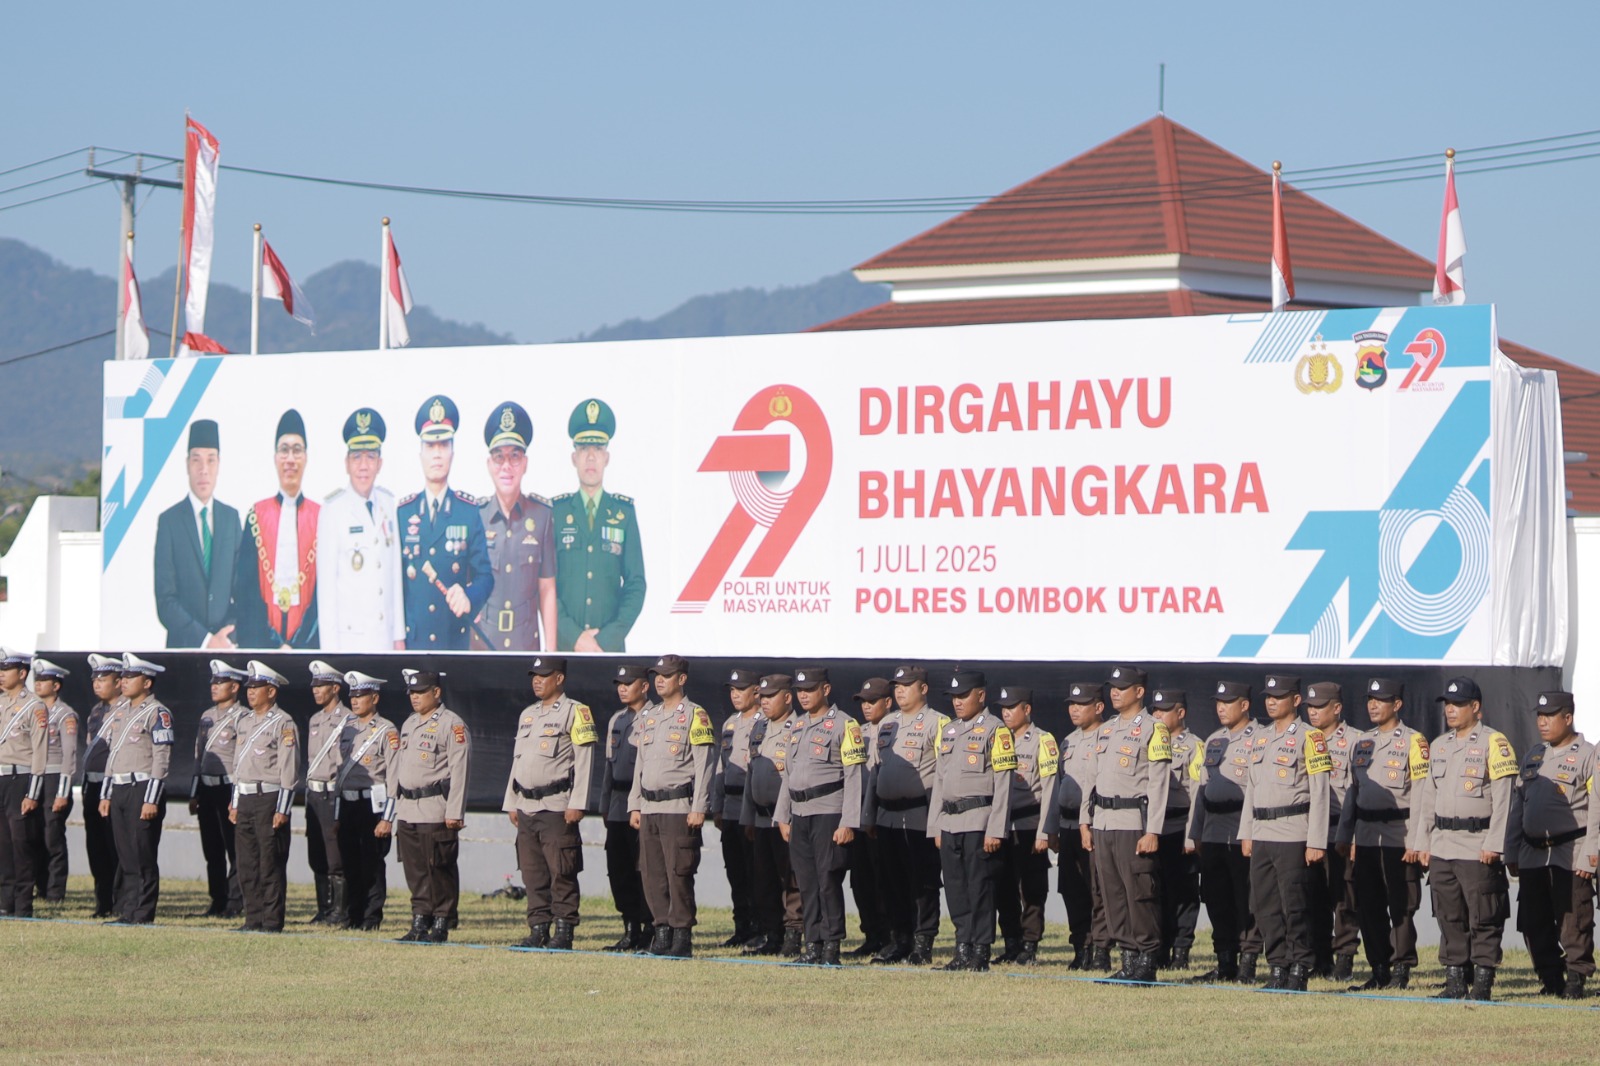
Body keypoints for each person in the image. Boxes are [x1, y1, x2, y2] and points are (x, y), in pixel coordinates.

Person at [1414, 676, 1517, 1001]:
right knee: (1449, 915)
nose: (1450, 710)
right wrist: (1423, 842)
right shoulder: (1439, 745)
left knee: (1484, 916)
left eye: (1458, 704)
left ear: (1475, 707)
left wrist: (1495, 843)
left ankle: (1482, 984)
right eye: (1447, 704)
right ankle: (1455, 980)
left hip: (1477, 844)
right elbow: (1428, 798)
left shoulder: (1494, 742)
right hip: (1443, 843)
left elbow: (1505, 800)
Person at [1238, 676, 1332, 992]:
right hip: (1262, 831)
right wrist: (1246, 832)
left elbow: (1320, 793)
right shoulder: (1260, 738)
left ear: (1296, 700)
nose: (1271, 701)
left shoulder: (1311, 737)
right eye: (1268, 696)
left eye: (1278, 696)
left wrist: (1316, 841)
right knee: (1265, 905)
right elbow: (1251, 788)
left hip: (1293, 832)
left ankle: (1300, 968)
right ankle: (1277, 967)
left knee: (1296, 905)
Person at [1334, 678, 1429, 991]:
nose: (1373, 705)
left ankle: (1401, 969)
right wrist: (1345, 835)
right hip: (1365, 837)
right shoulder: (1363, 742)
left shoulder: (1414, 742)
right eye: (1370, 699)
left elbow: (1422, 794)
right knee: (1368, 905)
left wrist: (1417, 841)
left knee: (1401, 906)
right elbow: (1353, 792)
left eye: (1381, 700)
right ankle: (1379, 969)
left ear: (1397, 704)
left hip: (1398, 837)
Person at [1081, 665, 1170, 984]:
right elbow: (1090, 779)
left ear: (1139, 692)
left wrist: (1153, 830)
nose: (1115, 692)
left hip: (1133, 823)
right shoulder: (1105, 730)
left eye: (1122, 688)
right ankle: (1128, 958)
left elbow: (1159, 783)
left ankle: (1147, 960)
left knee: (1139, 894)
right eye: (1113, 688)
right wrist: (1085, 821)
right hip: (1103, 822)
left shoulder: (1154, 729)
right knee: (1112, 894)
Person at [774, 667, 866, 966]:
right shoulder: (797, 726)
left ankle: (831, 946)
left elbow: (854, 777)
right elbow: (788, 774)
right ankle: (812, 944)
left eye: (809, 690)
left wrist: (848, 822)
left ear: (825, 690)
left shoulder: (845, 725)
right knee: (806, 882)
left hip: (829, 812)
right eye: (800, 691)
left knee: (828, 881)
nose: (803, 696)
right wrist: (782, 815)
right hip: (799, 813)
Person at [504, 655, 597, 950]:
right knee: (532, 872)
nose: (537, 681)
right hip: (527, 806)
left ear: (559, 678)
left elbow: (584, 761)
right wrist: (511, 801)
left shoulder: (576, 712)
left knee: (562, 871)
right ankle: (538, 929)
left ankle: (564, 930)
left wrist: (578, 802)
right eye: (534, 676)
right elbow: (517, 761)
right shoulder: (527, 714)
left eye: (543, 676)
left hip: (557, 806)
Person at [1507, 690, 1595, 999]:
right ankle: (1550, 978)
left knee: (1573, 920)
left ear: (1568, 718)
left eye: (1550, 716)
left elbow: (1597, 810)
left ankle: (1576, 979)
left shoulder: (1588, 755)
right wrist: (1511, 849)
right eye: (1540, 716)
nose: (1542, 722)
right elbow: (1518, 806)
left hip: (1570, 851)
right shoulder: (1534, 755)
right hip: (1532, 853)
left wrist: (1591, 853)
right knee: (1533, 921)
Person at [926, 671, 1014, 973]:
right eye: (954, 697)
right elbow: (939, 780)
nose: (958, 702)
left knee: (980, 888)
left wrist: (996, 829)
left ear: (981, 695)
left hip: (979, 820)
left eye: (963, 696)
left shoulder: (996, 730)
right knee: (955, 888)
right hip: (950, 821)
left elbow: (1004, 784)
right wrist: (935, 825)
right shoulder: (949, 730)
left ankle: (980, 950)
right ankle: (962, 948)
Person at [628, 655, 715, 957]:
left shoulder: (695, 715)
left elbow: (704, 765)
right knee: (652, 874)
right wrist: (634, 804)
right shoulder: (649, 716)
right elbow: (640, 763)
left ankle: (681, 936)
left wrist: (699, 806)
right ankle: (661, 933)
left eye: (666, 675)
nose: (660, 680)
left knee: (678, 873)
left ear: (682, 679)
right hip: (649, 807)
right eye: (657, 675)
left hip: (679, 808)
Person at [864, 664, 948, 966]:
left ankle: (923, 941)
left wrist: (938, 821)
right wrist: (868, 814)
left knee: (923, 882)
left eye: (906, 686)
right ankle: (899, 939)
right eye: (896, 687)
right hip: (887, 815)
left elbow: (944, 775)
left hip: (919, 814)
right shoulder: (887, 723)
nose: (899, 691)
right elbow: (876, 771)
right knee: (891, 880)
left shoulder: (939, 723)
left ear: (923, 689)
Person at [397, 395, 492, 650]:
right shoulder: (402, 514)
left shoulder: (468, 512)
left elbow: (485, 576)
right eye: (430, 446)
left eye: (443, 445)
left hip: (453, 643)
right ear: (420, 454)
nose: (437, 454)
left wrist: (469, 597)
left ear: (453, 452)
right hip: (413, 645)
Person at [552, 399, 645, 652]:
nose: (591, 457)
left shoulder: (624, 514)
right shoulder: (556, 513)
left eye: (598, 448)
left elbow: (636, 584)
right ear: (574, 458)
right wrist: (574, 637)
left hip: (609, 651)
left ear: (607, 457)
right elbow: (546, 586)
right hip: (566, 649)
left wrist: (606, 639)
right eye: (584, 448)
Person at [1188, 680, 1263, 983]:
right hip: (1213, 832)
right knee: (1216, 898)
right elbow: (1201, 790)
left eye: (1228, 702)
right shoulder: (1214, 740)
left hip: (1241, 830)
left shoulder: (1260, 738)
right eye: (1218, 702)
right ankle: (1225, 962)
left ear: (1244, 705)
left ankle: (1248, 962)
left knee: (1246, 899)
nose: (1221, 708)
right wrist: (1195, 832)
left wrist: (1250, 833)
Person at [393, 668, 471, 944]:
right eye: (412, 693)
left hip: (435, 806)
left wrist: (455, 811)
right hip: (408, 807)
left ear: (436, 693)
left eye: (420, 692)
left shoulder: (452, 724)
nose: (414, 697)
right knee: (414, 869)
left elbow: (460, 771)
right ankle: (420, 919)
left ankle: (441, 920)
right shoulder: (409, 723)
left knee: (438, 867)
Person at [317, 407, 405, 651]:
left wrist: (398, 635)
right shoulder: (333, 510)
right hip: (349, 643)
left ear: (380, 463)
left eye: (370, 457)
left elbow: (395, 574)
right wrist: (331, 656)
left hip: (385, 640)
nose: (363, 466)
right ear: (346, 464)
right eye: (356, 457)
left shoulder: (389, 503)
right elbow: (326, 595)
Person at [473, 401, 557, 651]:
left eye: (515, 456)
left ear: (525, 463)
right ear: (489, 464)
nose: (506, 466)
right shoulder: (475, 516)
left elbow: (547, 589)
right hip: (483, 646)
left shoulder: (542, 517)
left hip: (526, 645)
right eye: (499, 457)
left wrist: (552, 654)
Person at [235, 410, 321, 649]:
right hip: (262, 647)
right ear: (275, 458)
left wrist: (299, 646)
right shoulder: (256, 515)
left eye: (297, 450)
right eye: (284, 450)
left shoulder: (320, 518)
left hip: (308, 649)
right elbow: (246, 592)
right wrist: (270, 645)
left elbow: (322, 596)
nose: (290, 459)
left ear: (306, 458)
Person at [99, 652, 173, 925]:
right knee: (126, 854)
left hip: (142, 788)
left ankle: (143, 913)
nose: (124, 681)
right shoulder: (120, 713)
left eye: (131, 677)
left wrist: (151, 799)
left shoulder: (158, 713)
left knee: (142, 852)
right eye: (124, 676)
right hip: (119, 788)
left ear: (147, 682)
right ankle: (128, 910)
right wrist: (106, 793)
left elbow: (161, 759)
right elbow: (113, 755)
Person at [153, 419, 240, 649]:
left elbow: (242, 591)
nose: (204, 470)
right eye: (196, 460)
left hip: (225, 649)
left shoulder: (231, 519)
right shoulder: (169, 522)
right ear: (187, 465)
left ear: (219, 464)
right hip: (183, 651)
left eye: (211, 460)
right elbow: (165, 600)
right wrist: (205, 640)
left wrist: (226, 635)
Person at [1045, 681, 1112, 971]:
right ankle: (1080, 947)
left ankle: (1101, 949)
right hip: (1068, 826)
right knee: (1071, 889)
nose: (1074, 709)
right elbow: (1057, 786)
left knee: (1097, 890)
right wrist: (1052, 828)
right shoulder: (1068, 741)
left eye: (1081, 704)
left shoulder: (1108, 737)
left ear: (1098, 707)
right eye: (1071, 704)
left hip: (1095, 826)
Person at [228, 661, 299, 933]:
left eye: (257, 687)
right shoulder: (244, 721)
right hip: (245, 798)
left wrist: (283, 809)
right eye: (249, 687)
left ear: (271, 691)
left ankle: (271, 921)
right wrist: (235, 801)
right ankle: (252, 919)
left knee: (270, 862)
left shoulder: (283, 723)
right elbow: (238, 766)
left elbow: (288, 770)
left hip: (269, 799)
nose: (251, 692)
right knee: (246, 863)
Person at [740, 674, 805, 956]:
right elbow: (751, 774)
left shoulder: (799, 727)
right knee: (764, 880)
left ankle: (793, 935)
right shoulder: (759, 727)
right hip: (761, 818)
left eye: (770, 696)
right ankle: (772, 934)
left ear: (787, 697)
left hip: (787, 819)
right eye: (762, 697)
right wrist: (748, 817)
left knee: (791, 879)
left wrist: (786, 817)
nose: (764, 702)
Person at [994, 686, 1057, 966]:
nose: (1006, 713)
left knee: (1032, 889)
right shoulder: (998, 738)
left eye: (1012, 707)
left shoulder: (1043, 741)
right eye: (1003, 708)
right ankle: (1011, 943)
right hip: (1001, 826)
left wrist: (1045, 831)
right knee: (1003, 887)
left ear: (1027, 709)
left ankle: (1030, 945)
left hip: (1030, 824)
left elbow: (1050, 789)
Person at [1303, 681, 1361, 980]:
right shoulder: (1302, 738)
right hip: (1308, 832)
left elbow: (1357, 792)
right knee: (1313, 897)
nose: (1313, 712)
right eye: (1310, 707)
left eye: (1319, 707)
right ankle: (1320, 958)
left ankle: (1345, 958)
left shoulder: (1355, 741)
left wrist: (1351, 835)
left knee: (1345, 898)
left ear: (1337, 708)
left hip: (1340, 830)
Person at [334, 670, 399, 930]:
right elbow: (340, 773)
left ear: (374, 698)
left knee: (371, 863)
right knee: (350, 863)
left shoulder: (386, 730)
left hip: (373, 804)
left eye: (360, 695)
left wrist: (387, 818)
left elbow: (393, 777)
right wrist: (337, 814)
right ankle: (354, 915)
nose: (355, 700)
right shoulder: (347, 728)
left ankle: (371, 917)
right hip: (348, 803)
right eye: (352, 696)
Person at [598, 663, 656, 951]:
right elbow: (609, 767)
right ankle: (630, 927)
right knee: (618, 869)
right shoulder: (617, 720)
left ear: (644, 686)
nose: (622, 688)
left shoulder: (656, 718)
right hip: (618, 804)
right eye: (619, 684)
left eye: (628, 683)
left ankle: (650, 928)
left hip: (643, 805)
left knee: (644, 869)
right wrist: (604, 804)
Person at [189, 659, 248, 918]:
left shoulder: (243, 717)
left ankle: (235, 902)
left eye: (220, 682)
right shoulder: (207, 717)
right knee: (211, 849)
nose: (214, 686)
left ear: (234, 687)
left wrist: (237, 797)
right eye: (213, 682)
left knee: (234, 848)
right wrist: (195, 792)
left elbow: (243, 760)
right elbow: (198, 756)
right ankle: (218, 900)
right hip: (207, 789)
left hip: (229, 788)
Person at [1149, 688, 1202, 970]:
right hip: (1152, 829)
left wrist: (1192, 835)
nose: (1157, 715)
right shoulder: (1148, 740)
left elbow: (1196, 793)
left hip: (1179, 828)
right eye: (1155, 710)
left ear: (1180, 713)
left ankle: (1181, 951)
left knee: (1183, 894)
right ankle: (1158, 949)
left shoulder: (1194, 746)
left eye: (1164, 710)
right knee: (1154, 891)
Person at [711, 668, 763, 948]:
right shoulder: (730, 723)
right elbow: (721, 766)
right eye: (732, 690)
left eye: (740, 689)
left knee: (756, 872)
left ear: (756, 691)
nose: (735, 695)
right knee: (735, 872)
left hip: (751, 806)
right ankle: (741, 927)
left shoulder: (765, 722)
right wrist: (717, 805)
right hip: (730, 808)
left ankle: (759, 927)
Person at [304, 661, 356, 926]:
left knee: (336, 856)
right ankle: (323, 909)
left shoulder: (348, 719)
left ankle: (340, 910)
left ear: (335, 688)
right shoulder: (315, 719)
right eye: (314, 686)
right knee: (317, 855)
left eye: (321, 685)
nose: (316, 690)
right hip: (314, 794)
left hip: (333, 794)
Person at [0, 649, 48, 916]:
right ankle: (5, 902)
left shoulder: (34, 706)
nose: (1, 674)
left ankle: (23, 904)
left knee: (21, 842)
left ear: (21, 673)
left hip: (20, 779)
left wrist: (32, 792)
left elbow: (40, 752)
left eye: (6, 670)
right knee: (3, 844)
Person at [846, 677, 891, 958]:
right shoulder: (858, 732)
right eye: (863, 701)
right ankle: (872, 935)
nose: (866, 706)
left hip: (883, 815)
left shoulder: (896, 728)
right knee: (860, 880)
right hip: (858, 816)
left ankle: (891, 935)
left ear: (887, 702)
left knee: (884, 879)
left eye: (872, 701)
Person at [30, 658, 77, 904]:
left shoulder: (65, 714)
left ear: (56, 686)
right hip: (34, 777)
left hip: (54, 777)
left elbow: (69, 754)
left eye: (44, 680)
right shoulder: (33, 710)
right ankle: (40, 885)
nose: (38, 684)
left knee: (52, 836)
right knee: (34, 834)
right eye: (37, 680)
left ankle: (55, 891)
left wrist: (62, 792)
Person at [81, 654, 124, 918]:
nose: (97, 684)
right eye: (94, 679)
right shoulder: (96, 711)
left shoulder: (126, 711)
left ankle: (120, 902)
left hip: (114, 786)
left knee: (114, 846)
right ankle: (103, 902)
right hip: (93, 785)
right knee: (95, 847)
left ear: (118, 682)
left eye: (103, 679)